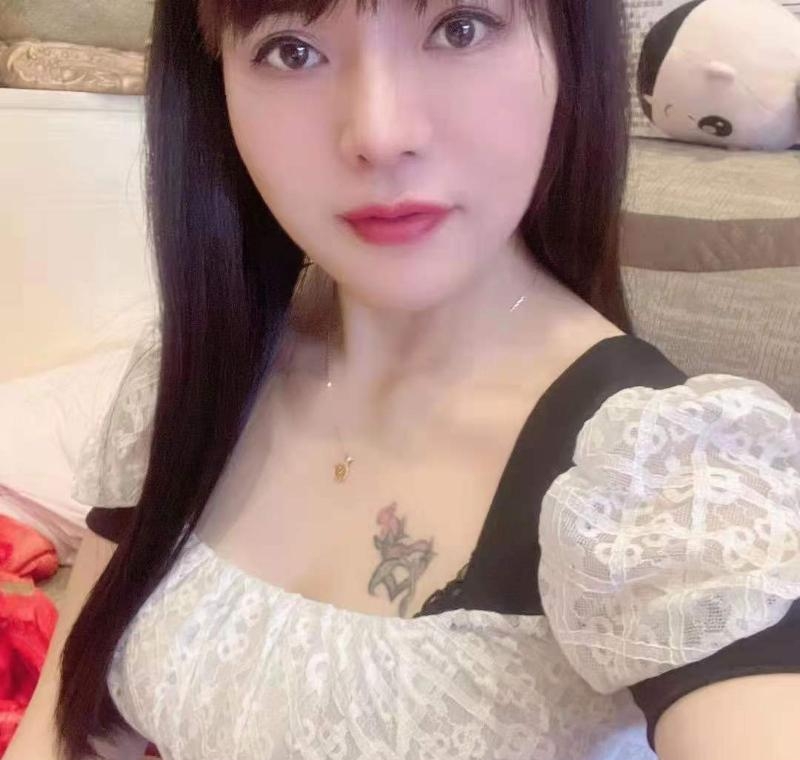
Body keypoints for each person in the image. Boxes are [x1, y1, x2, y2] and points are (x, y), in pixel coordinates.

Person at [37, 0, 800, 758]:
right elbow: (69, 728)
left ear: (569, 49)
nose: (380, 134)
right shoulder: (194, 379)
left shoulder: (660, 475)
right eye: (291, 51)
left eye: (460, 28)